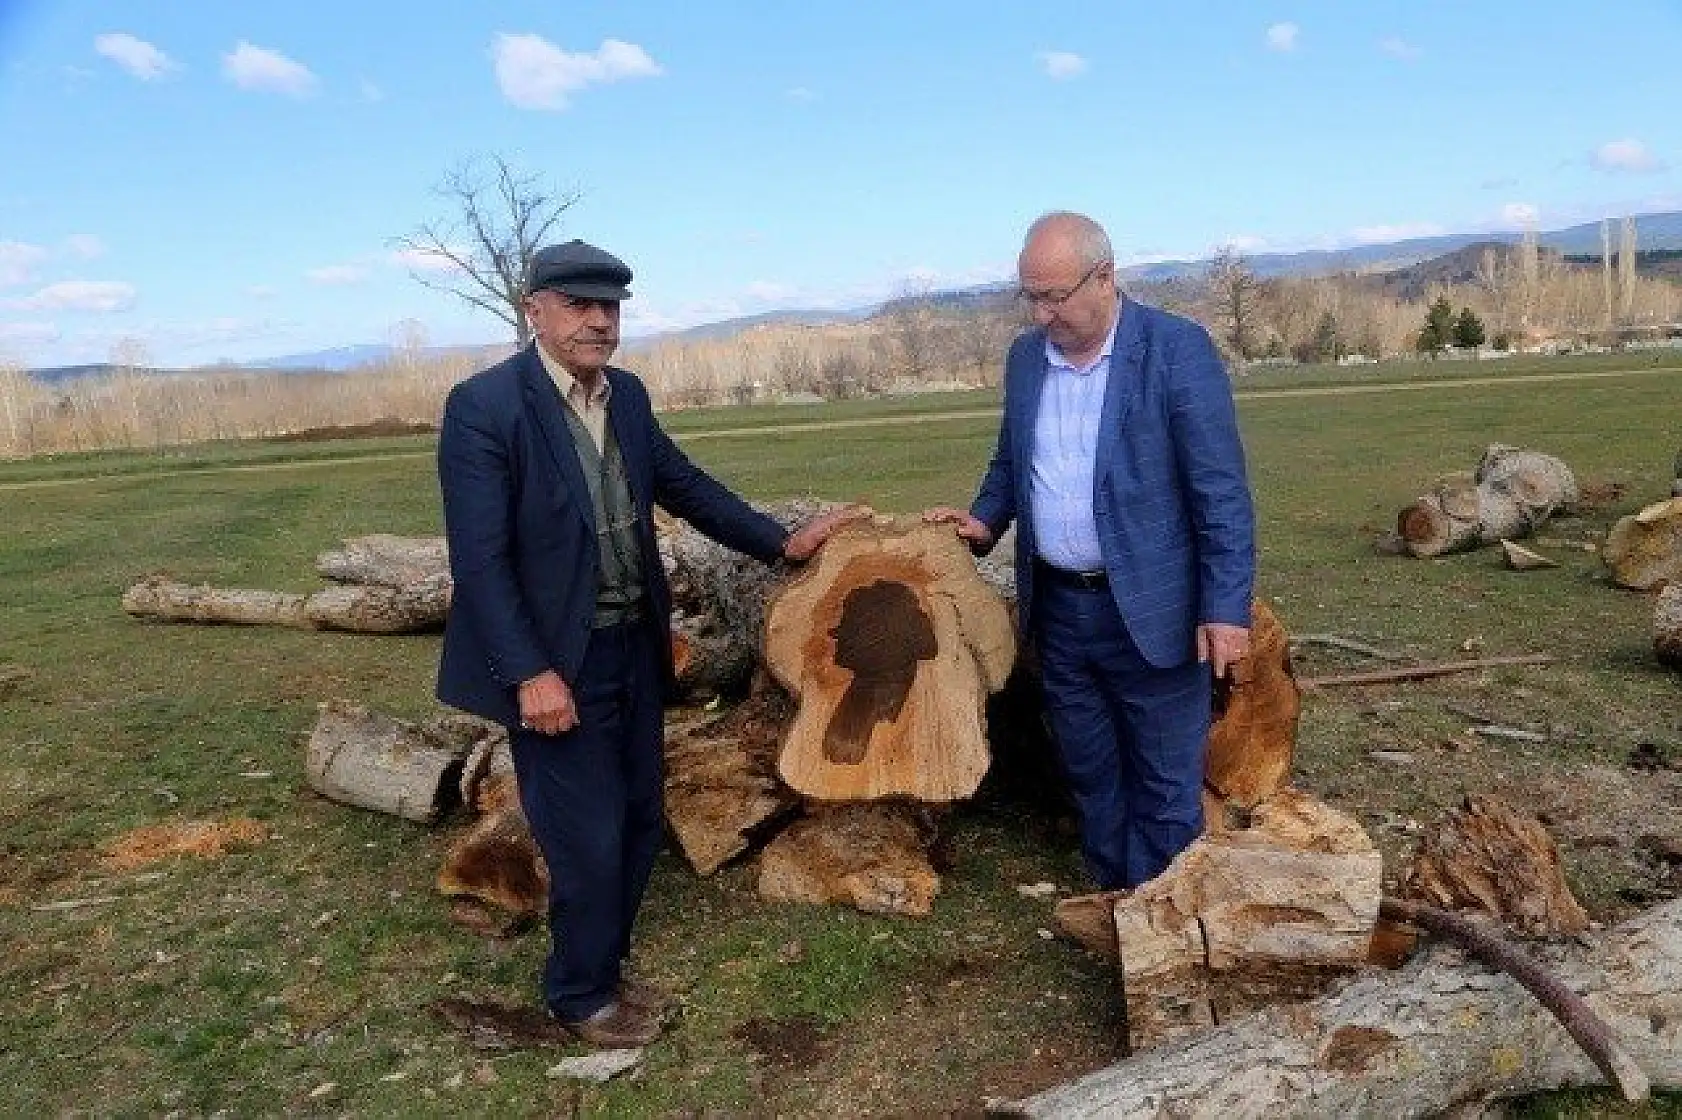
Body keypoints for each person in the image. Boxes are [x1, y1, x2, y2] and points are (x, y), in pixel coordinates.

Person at [436, 240, 855, 1048]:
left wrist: (783, 543)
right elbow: (480, 563)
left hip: (634, 646)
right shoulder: (485, 407)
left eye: (611, 307)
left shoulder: (623, 396)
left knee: (635, 817)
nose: (599, 321)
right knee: (584, 835)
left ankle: (605, 965)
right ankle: (579, 996)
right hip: (557, 662)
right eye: (579, 305)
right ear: (536, 310)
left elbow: (685, 484)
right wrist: (530, 673)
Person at [925, 212, 1255, 890]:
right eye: (1031, 296)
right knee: (1091, 774)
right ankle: (1115, 899)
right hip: (1061, 611)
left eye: (1055, 295)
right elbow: (1011, 462)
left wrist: (1225, 609)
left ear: (1105, 276)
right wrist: (985, 519)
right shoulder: (1025, 360)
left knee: (1165, 787)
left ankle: (1165, 928)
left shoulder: (1175, 351)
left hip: (1154, 613)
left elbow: (1220, 495)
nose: (1042, 313)